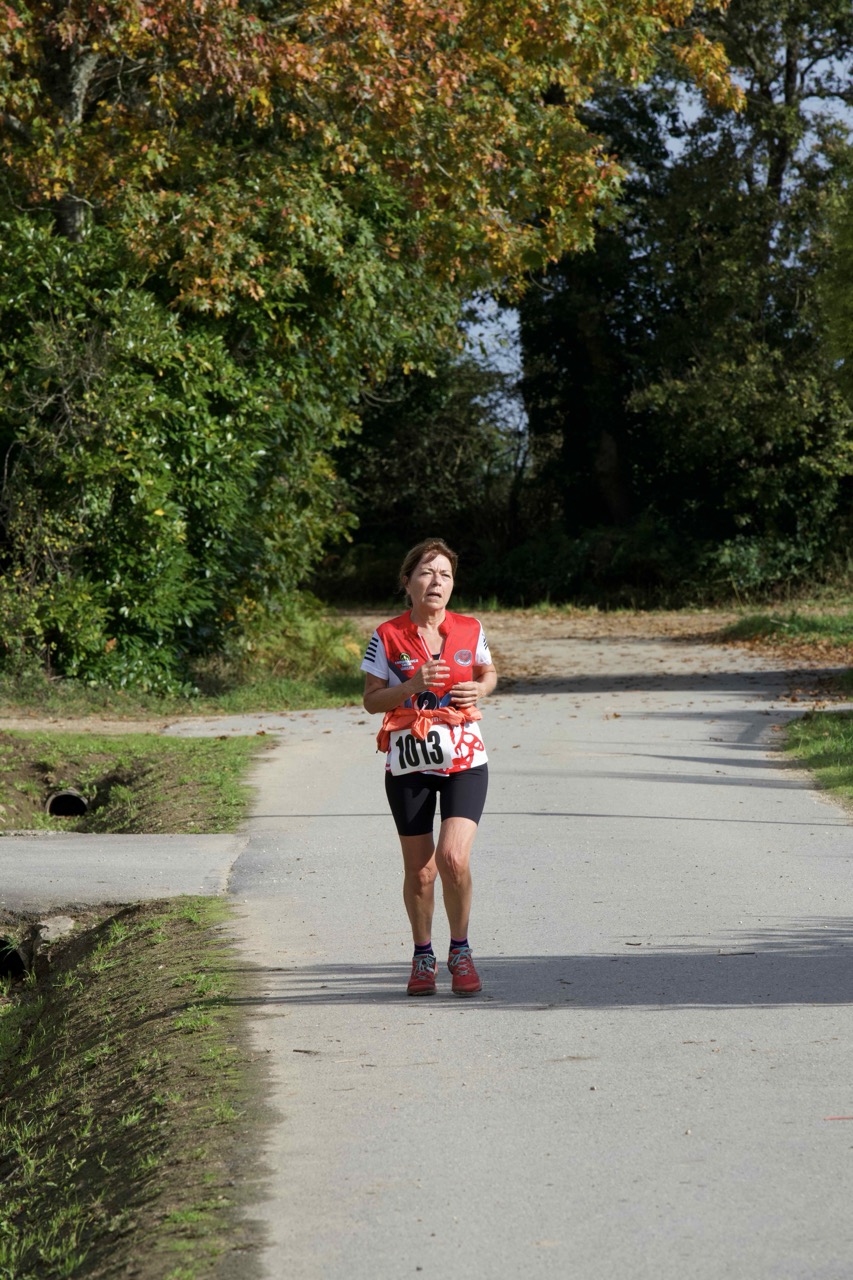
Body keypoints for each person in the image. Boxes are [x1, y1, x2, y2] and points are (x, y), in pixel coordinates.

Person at [361, 538, 497, 997]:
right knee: (421, 871)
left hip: (464, 758)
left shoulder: (470, 629)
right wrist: (411, 685)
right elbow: (371, 700)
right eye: (426, 572)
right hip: (409, 761)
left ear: (452, 585)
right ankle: (423, 956)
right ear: (407, 582)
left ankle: (461, 951)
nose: (436, 582)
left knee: (453, 858)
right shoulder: (387, 635)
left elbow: (487, 672)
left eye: (445, 575)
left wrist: (481, 690)